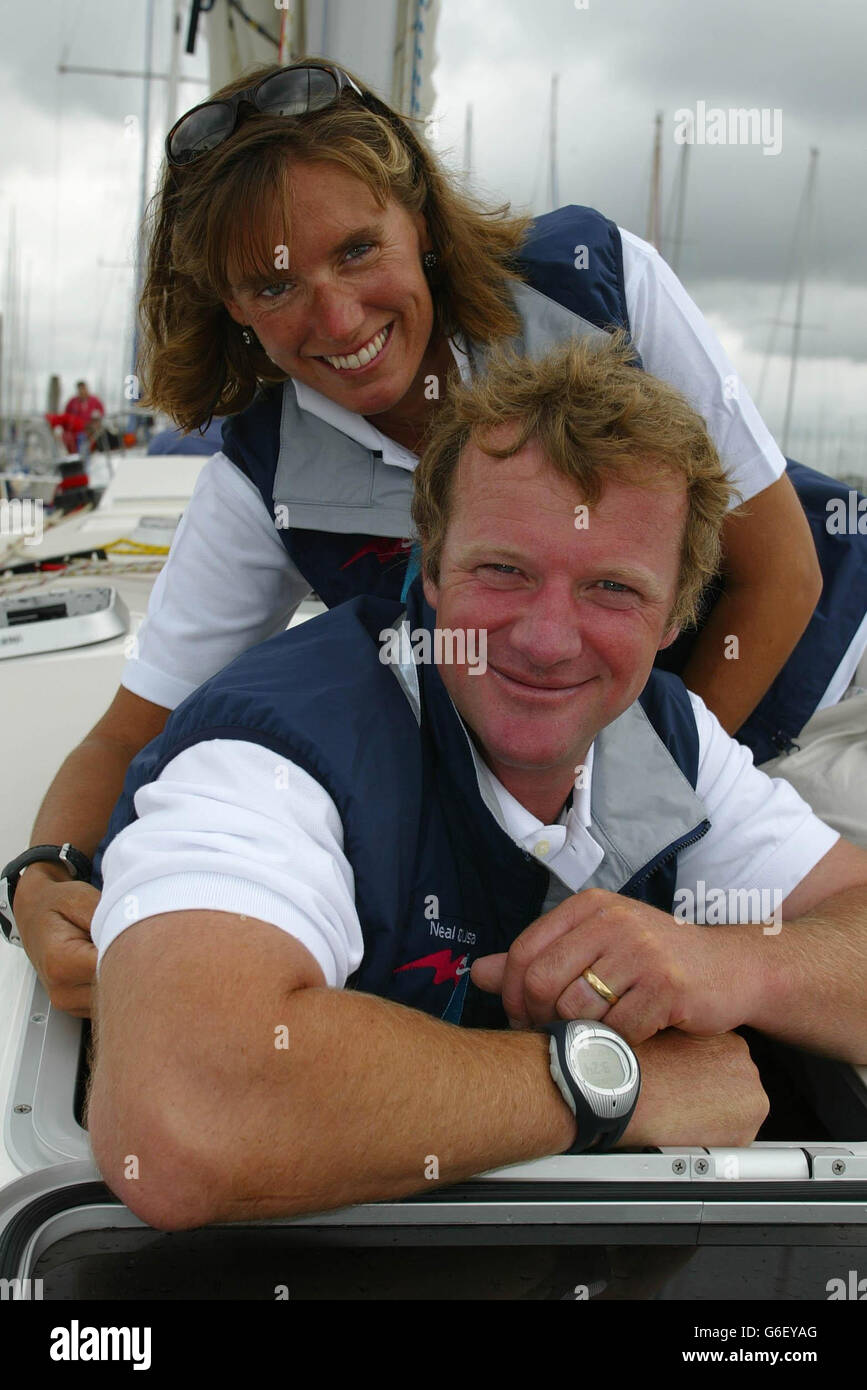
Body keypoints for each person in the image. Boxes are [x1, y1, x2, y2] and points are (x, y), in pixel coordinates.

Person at [9, 56, 866, 1019]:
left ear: (420, 218)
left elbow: (781, 576)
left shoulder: (596, 286)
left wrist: (636, 838)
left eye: (358, 250)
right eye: (272, 285)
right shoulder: (262, 477)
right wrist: (41, 877)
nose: (337, 319)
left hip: (824, 690)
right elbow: (135, 727)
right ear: (231, 308)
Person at [85, 338, 867, 1232]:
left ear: (676, 616)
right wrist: (610, 1083)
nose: (545, 638)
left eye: (612, 588)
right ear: (429, 556)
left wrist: (730, 964)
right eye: (503, 571)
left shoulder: (665, 734)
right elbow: (186, 1115)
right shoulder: (277, 749)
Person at [61, 380, 105, 455]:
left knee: (83, 438)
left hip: (90, 430)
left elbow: (101, 413)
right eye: (80, 389)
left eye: (83, 389)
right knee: (71, 438)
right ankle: (76, 457)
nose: (82, 391)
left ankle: (83, 457)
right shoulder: (72, 402)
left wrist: (95, 423)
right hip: (75, 431)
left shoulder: (94, 401)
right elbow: (66, 416)